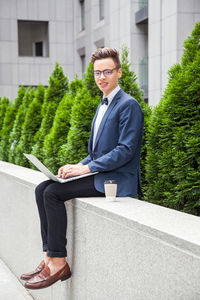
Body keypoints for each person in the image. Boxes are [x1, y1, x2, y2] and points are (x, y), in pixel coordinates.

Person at [20, 47, 144, 289]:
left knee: (53, 193)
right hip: (102, 172)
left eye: (107, 71)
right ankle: (49, 257)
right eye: (97, 73)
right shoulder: (102, 106)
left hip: (116, 180)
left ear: (119, 72)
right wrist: (77, 165)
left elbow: (125, 151)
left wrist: (85, 170)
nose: (101, 77)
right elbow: (96, 153)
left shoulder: (129, 105)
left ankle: (58, 263)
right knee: (41, 189)